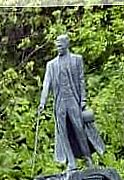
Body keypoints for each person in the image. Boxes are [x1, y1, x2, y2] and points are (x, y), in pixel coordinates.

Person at [38, 34, 104, 171]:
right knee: (63, 133)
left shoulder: (77, 60)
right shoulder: (51, 65)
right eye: (57, 46)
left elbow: (81, 81)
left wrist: (83, 100)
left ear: (67, 44)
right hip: (59, 103)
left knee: (79, 129)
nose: (59, 48)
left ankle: (88, 158)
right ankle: (71, 161)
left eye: (61, 45)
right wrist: (42, 102)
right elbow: (46, 84)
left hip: (73, 100)